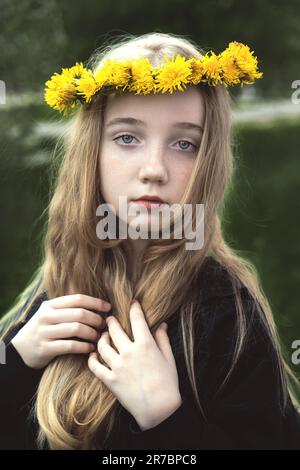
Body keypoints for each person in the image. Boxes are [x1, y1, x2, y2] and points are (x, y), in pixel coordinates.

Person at [1, 31, 300, 450]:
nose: (154, 169)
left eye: (184, 144)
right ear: (92, 153)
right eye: (127, 138)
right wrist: (15, 364)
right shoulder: (62, 284)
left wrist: (164, 419)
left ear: (208, 161)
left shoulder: (226, 312)